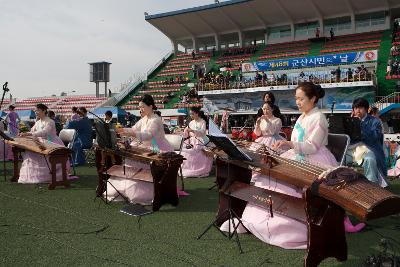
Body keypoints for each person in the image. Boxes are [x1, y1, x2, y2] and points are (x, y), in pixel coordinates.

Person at [222, 82, 339, 249]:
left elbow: (312, 146)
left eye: (301, 99)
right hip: (298, 155)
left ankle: (286, 229)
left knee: (288, 186)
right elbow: (298, 142)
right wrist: (288, 144)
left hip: (314, 159)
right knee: (268, 176)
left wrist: (289, 144)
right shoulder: (303, 116)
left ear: (313, 99)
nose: (298, 102)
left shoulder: (319, 117)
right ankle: (256, 222)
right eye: (296, 99)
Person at [107, 94, 173, 203]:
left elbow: (148, 135)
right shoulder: (144, 119)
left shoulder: (155, 120)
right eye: (139, 107)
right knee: (130, 159)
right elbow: (134, 129)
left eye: (143, 107)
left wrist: (130, 132)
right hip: (146, 144)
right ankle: (127, 187)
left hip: (156, 145)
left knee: (146, 162)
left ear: (151, 106)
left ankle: (144, 190)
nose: (140, 109)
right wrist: (122, 130)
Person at [17, 104, 71, 184]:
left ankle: (50, 175)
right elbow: (32, 131)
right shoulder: (38, 122)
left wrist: (29, 134)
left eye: (37, 110)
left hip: (51, 142)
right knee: (30, 152)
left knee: (43, 153)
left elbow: (45, 132)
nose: (36, 112)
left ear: (44, 111)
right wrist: (25, 133)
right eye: (35, 110)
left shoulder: (50, 121)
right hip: (40, 142)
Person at [346, 98, 387, 187]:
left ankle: (372, 185)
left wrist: (359, 126)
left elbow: (374, 138)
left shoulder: (375, 121)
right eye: (355, 108)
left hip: (369, 148)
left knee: (370, 159)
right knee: (339, 158)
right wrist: (351, 123)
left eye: (360, 108)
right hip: (353, 149)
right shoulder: (350, 120)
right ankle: (343, 183)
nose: (358, 110)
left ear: (366, 109)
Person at [180, 107, 213, 178]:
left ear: (197, 114)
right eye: (190, 114)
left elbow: (202, 132)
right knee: (185, 151)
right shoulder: (191, 122)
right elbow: (186, 133)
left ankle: (198, 169)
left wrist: (192, 130)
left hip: (200, 140)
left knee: (197, 151)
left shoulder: (202, 121)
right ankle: (187, 169)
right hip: (191, 140)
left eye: (192, 114)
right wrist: (184, 132)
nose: (191, 116)